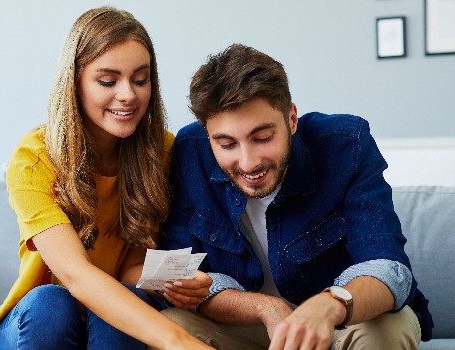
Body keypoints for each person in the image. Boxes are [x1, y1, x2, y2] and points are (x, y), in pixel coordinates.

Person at [157, 44, 433, 350]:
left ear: (291, 119)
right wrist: (267, 308)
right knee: (167, 325)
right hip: (249, 327)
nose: (248, 163)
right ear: (208, 135)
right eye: (226, 144)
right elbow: (185, 277)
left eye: (262, 138)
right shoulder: (188, 151)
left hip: (339, 322)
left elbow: (387, 266)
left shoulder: (347, 145)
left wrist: (330, 305)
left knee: (388, 329)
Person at [0, 7, 213, 350]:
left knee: (122, 298)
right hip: (38, 322)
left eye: (140, 79)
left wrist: (170, 281)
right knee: (52, 302)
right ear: (74, 83)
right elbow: (75, 274)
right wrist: (180, 343)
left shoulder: (163, 151)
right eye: (108, 81)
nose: (128, 95)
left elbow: (132, 270)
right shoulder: (33, 158)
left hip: (110, 317)